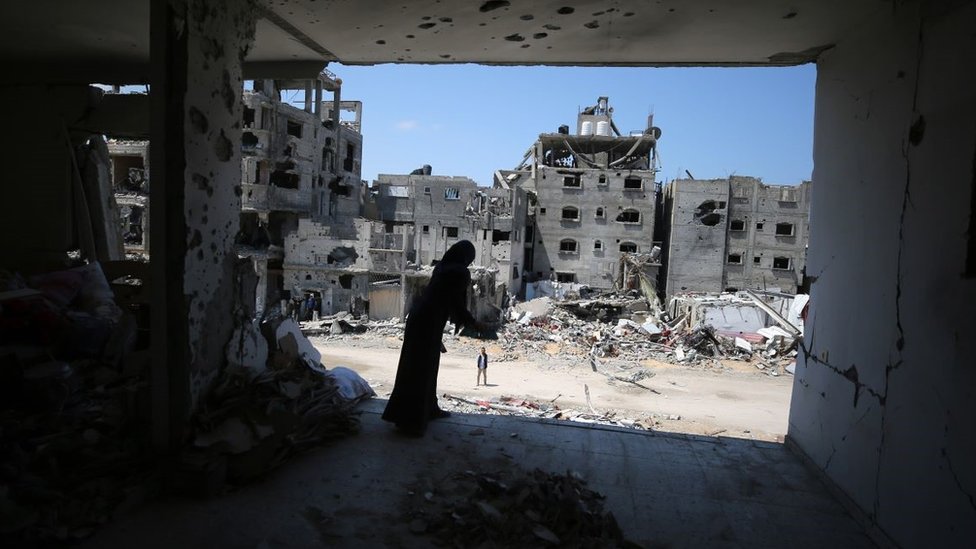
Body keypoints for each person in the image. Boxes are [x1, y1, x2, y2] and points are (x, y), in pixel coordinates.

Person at [382, 240, 486, 436]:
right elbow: (455, 301)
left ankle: (426, 410)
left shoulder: (442, 267)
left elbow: (440, 296)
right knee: (422, 369)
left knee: (414, 366)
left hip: (419, 318)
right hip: (429, 320)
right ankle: (412, 422)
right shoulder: (460, 272)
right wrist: (472, 322)